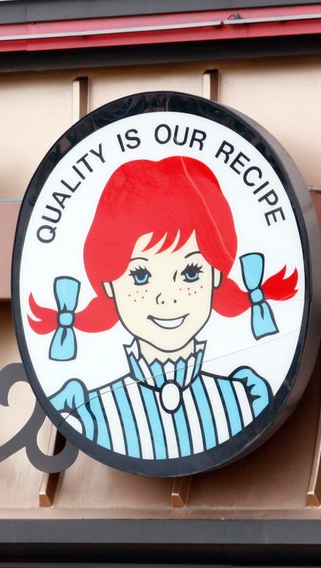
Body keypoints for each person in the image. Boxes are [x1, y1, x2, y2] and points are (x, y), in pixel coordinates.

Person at [27, 155, 298, 460]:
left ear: (216, 275)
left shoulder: (243, 399)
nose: (167, 298)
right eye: (140, 275)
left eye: (190, 272)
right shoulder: (92, 413)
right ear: (108, 284)